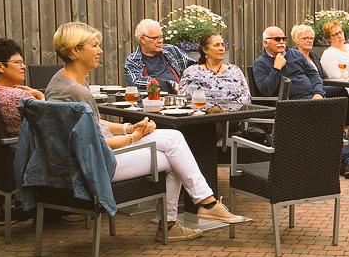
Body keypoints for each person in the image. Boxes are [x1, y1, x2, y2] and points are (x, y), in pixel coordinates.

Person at [46, 22, 242, 241]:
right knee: (173, 156)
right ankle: (196, 209)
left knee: (175, 141)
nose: (101, 50)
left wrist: (128, 127)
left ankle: (197, 207)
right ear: (75, 50)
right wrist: (132, 137)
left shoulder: (61, 81)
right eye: (95, 45)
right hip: (97, 164)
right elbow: (91, 143)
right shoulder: (74, 91)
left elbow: (94, 123)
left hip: (93, 155)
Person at [251, 25, 349, 179]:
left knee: (340, 93)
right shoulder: (261, 63)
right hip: (291, 102)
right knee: (329, 116)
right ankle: (348, 161)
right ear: (265, 43)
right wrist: (276, 68)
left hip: (312, 96)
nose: (281, 42)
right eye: (277, 39)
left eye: (283, 38)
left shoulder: (294, 54)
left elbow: (314, 74)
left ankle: (344, 156)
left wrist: (318, 92)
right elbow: (266, 90)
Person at [0, 38, 46, 137]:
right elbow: (47, 125)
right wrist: (41, 97)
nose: (23, 66)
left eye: (22, 62)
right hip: (30, 149)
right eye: (17, 62)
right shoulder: (19, 96)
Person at [178, 33, 251, 105]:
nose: (221, 48)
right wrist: (208, 109)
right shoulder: (191, 72)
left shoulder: (235, 71)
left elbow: (246, 97)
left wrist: (225, 109)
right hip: (199, 115)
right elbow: (182, 97)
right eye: (216, 45)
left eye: (222, 45)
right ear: (205, 50)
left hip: (231, 115)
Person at [123, 19, 195, 88]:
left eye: (161, 37)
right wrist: (170, 85)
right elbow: (136, 82)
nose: (160, 41)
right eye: (155, 38)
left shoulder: (172, 50)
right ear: (143, 40)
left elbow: (195, 68)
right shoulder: (132, 61)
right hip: (151, 99)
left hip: (179, 98)